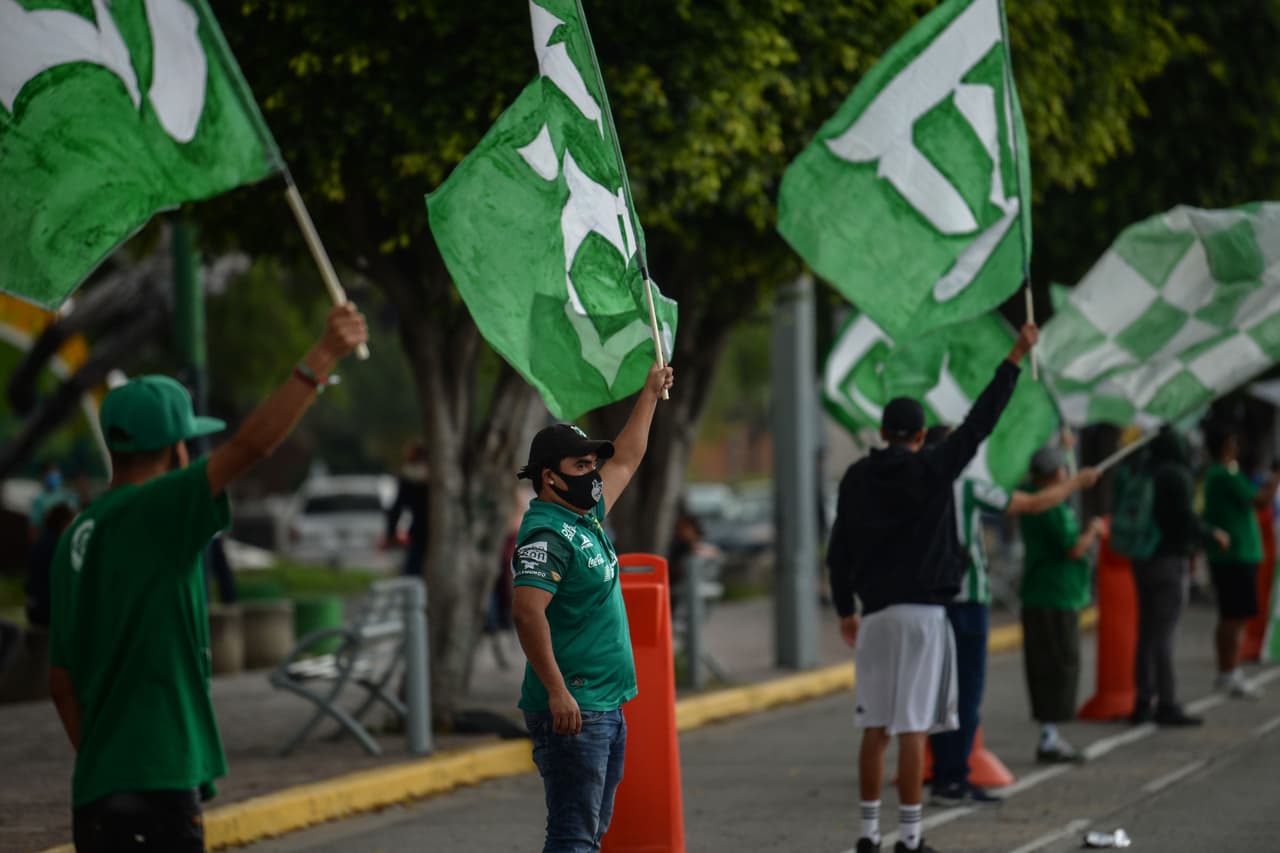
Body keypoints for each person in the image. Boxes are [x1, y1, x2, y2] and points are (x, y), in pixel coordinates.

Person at [48, 304, 367, 853]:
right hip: (161, 781)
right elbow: (251, 447)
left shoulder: (79, 533)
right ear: (177, 449)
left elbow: (60, 681)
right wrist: (323, 356)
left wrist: (109, 762)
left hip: (97, 789)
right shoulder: (159, 509)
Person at [827, 324, 1037, 853]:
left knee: (874, 728)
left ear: (883, 431)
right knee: (913, 729)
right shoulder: (934, 468)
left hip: (875, 617)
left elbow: (838, 549)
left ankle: (868, 834)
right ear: (921, 436)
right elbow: (980, 422)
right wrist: (1014, 355)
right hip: (924, 617)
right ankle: (911, 837)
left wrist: (845, 609)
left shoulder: (856, 478)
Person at [510, 363, 674, 853]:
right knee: (573, 837)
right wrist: (557, 691)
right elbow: (526, 613)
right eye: (581, 467)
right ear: (549, 477)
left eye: (591, 465)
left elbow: (626, 458)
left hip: (604, 705)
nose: (593, 475)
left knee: (589, 834)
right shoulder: (547, 533)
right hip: (574, 709)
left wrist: (649, 394)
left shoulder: (583, 517)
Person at [925, 428, 1099, 806]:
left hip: (928, 603)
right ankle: (954, 779)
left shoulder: (914, 488)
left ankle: (942, 776)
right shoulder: (967, 487)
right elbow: (1032, 503)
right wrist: (1075, 483)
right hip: (967, 601)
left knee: (939, 695)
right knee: (967, 695)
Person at [1128, 428, 1227, 726]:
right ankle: (1167, 702)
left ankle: (1143, 700)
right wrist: (1210, 535)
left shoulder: (1142, 472)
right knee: (1165, 635)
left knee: (1146, 633)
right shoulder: (1177, 477)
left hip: (1141, 559)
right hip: (1169, 561)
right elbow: (1186, 518)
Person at [1017, 448, 1105, 763]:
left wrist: (1068, 448)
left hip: (1044, 594)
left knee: (1048, 666)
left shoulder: (1034, 496)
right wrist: (1093, 531)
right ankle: (1049, 736)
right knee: (1058, 667)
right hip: (1053, 596)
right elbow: (1073, 549)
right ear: (1055, 475)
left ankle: (1050, 733)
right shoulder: (1047, 507)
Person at [1202, 424, 1280, 699]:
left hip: (1234, 556)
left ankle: (1228, 671)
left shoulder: (1221, 475)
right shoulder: (1224, 475)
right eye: (1233, 443)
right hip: (1236, 556)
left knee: (1232, 616)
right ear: (1225, 446)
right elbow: (1261, 500)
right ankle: (1229, 671)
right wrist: (1276, 477)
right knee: (1235, 617)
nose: (1236, 448)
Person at [385, 440, 430, 577]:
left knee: (413, 573)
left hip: (419, 532)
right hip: (433, 532)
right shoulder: (441, 477)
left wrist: (391, 533)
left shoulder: (409, 477)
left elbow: (397, 507)